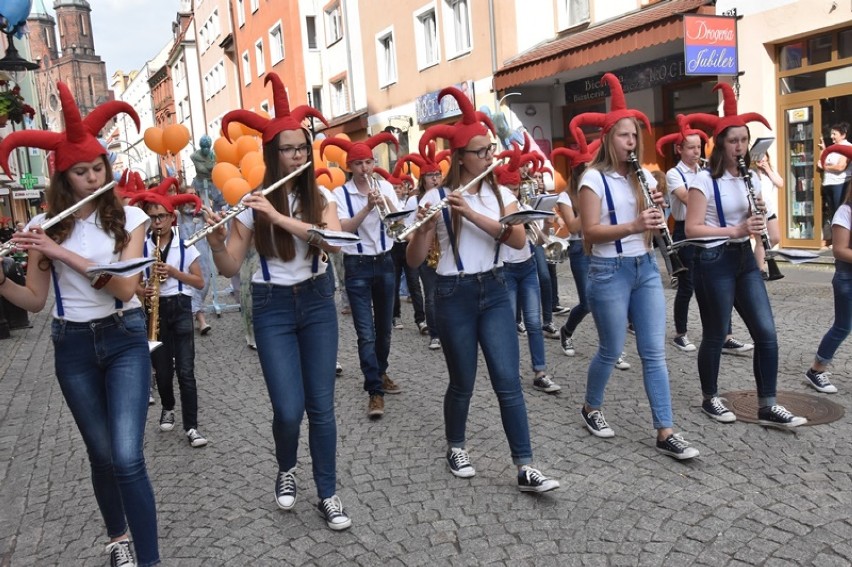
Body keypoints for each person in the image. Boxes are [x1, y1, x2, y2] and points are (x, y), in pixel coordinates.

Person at [0, 82, 159, 565]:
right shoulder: (46, 226)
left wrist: (58, 252)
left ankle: (150, 560)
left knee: (128, 457)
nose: (93, 178)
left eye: (98, 168)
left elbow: (124, 288)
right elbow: (32, 300)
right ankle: (118, 539)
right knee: (102, 456)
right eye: (81, 172)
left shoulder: (131, 218)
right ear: (63, 179)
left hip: (125, 337)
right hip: (71, 347)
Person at [208, 72, 352, 530]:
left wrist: (280, 216)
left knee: (322, 407)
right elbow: (231, 266)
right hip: (271, 305)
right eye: (287, 148)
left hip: (315, 301)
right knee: (288, 409)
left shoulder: (321, 195)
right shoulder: (255, 200)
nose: (295, 155)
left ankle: (328, 492)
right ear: (272, 153)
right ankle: (287, 469)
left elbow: (333, 243)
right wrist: (216, 241)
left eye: (300, 147)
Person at [407, 86, 561, 491]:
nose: (491, 156)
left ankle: (525, 465)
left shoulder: (502, 194)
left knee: (508, 380)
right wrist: (424, 228)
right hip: (452, 294)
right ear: (460, 157)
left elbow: (517, 241)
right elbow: (413, 260)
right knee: (463, 380)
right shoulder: (435, 196)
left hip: (493, 289)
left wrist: (472, 214)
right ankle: (456, 445)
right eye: (482, 152)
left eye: (490, 149)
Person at [570, 73, 699, 460]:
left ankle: (665, 430)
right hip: (608, 271)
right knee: (610, 349)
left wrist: (655, 210)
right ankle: (591, 407)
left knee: (653, 352)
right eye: (624, 136)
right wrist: (634, 224)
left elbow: (650, 221)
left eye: (634, 136)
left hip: (644, 267)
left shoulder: (641, 176)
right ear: (609, 138)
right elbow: (590, 232)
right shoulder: (593, 178)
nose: (631, 142)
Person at [685, 83, 807, 428]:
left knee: (766, 333)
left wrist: (764, 216)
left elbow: (772, 231)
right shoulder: (704, 181)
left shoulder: (750, 176)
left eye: (744, 140)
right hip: (712, 261)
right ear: (720, 143)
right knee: (714, 334)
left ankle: (768, 403)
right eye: (733, 140)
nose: (740, 146)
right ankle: (710, 397)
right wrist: (735, 230)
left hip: (742, 260)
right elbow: (692, 228)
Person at [321, 131, 403, 418]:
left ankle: (380, 372)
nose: (365, 169)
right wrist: (368, 207)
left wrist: (386, 203)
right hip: (357, 265)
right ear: (349, 167)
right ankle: (374, 391)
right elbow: (343, 229)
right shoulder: (340, 194)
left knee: (385, 329)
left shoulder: (385, 186)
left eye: (368, 163)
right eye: (359, 164)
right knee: (365, 333)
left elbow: (400, 220)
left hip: (385, 262)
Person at [657, 118, 755, 356]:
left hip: (713, 230)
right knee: (688, 285)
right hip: (685, 229)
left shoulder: (706, 171)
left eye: (699, 147)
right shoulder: (674, 173)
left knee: (723, 284)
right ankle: (680, 333)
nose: (696, 152)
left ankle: (726, 336)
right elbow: (688, 199)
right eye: (690, 147)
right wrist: (716, 194)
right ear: (679, 149)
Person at [130, 183, 208, 448]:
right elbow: (133, 286)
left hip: (180, 306)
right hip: (155, 308)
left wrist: (174, 273)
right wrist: (144, 290)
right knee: (163, 372)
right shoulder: (141, 249)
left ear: (171, 218)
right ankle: (167, 405)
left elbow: (199, 282)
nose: (157, 222)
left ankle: (192, 426)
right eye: (152, 217)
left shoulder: (185, 247)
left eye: (161, 216)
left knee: (186, 371)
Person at [495, 143, 561, 393]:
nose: (514, 193)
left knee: (533, 323)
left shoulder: (523, 206)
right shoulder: (497, 207)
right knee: (509, 323)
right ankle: (508, 372)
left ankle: (540, 372)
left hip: (527, 266)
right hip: (506, 269)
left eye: (516, 189)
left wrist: (546, 222)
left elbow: (539, 239)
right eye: (509, 189)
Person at [805, 143, 852, 394]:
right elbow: (840, 250)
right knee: (843, 326)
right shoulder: (844, 212)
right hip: (847, 278)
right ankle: (816, 369)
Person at [396, 143, 448, 351]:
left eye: (438, 174)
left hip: (445, 251)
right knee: (431, 293)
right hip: (427, 253)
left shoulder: (446, 196)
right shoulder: (413, 201)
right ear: (423, 178)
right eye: (430, 175)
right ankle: (434, 334)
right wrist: (419, 242)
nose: (435, 178)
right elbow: (407, 228)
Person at [376, 166, 427, 334]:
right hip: (393, 246)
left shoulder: (409, 202)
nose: (397, 190)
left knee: (414, 283)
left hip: (407, 244)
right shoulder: (385, 202)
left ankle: (421, 319)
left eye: (399, 187)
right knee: (394, 283)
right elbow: (392, 221)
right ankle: (395, 315)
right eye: (394, 188)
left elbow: (405, 222)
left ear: (404, 188)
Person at [752, 153, 785, 280]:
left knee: (775, 237)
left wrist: (768, 170)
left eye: (764, 156)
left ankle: (761, 258)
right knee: (760, 241)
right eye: (759, 157)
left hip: (770, 210)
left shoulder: (770, 171)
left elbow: (780, 183)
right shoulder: (752, 172)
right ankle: (760, 269)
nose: (762, 159)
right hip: (758, 210)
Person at [817, 122, 852, 237]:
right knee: (832, 212)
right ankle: (835, 239)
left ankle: (843, 240)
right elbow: (823, 162)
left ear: (843, 135)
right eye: (831, 133)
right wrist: (823, 149)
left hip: (840, 184)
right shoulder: (832, 148)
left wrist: (825, 167)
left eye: (834, 134)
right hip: (829, 183)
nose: (831, 136)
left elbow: (840, 167)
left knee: (840, 213)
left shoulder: (847, 147)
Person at [191, 134, 226, 211]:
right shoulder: (195, 156)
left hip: (213, 182)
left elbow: (217, 166)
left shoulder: (213, 154)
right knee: (204, 203)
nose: (206, 149)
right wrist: (212, 166)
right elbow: (202, 169)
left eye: (208, 147)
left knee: (220, 201)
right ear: (201, 147)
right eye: (204, 147)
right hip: (201, 182)